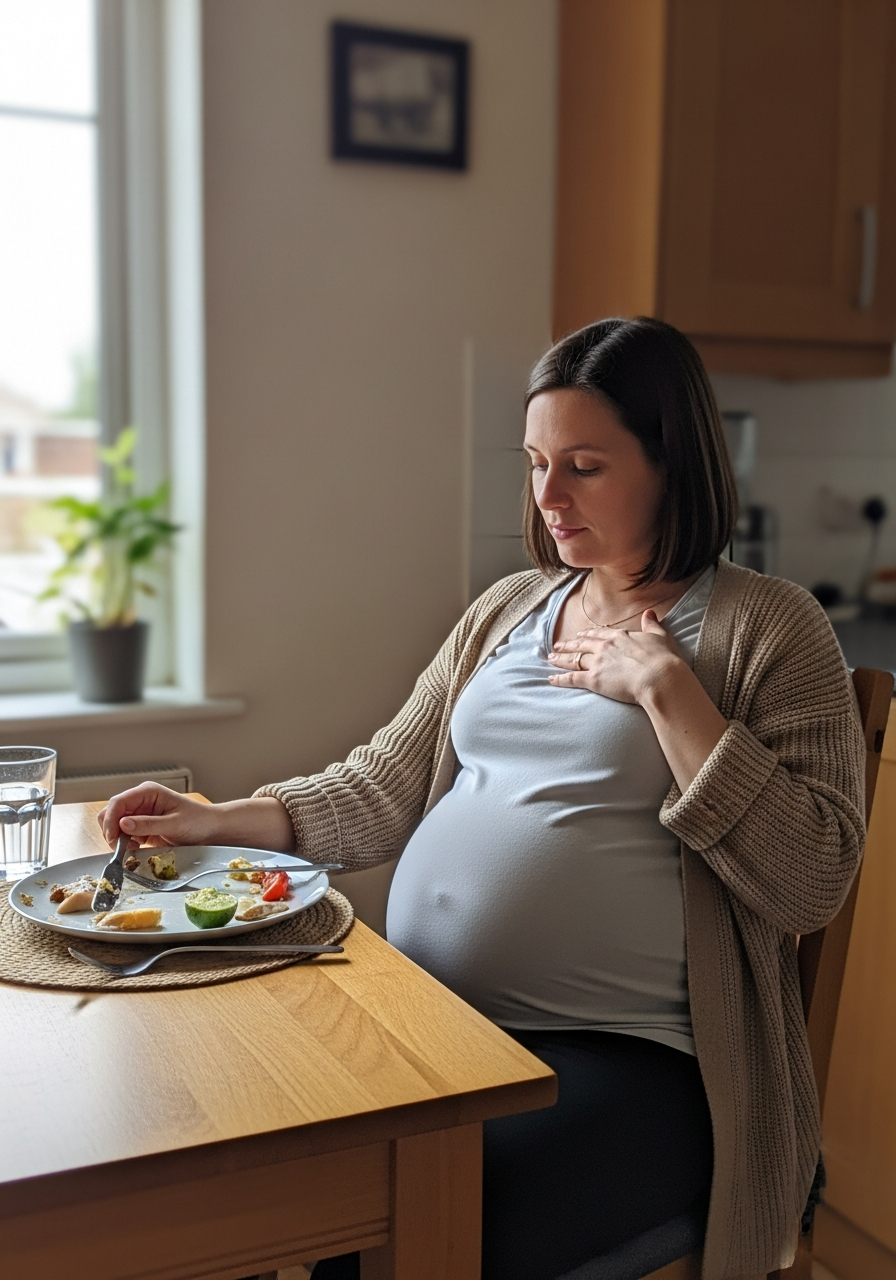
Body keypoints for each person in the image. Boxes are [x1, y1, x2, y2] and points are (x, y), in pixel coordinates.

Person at [99, 318, 866, 1280]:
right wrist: (220, 820)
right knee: (248, 1145)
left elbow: (814, 880)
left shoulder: (770, 628)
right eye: (539, 462)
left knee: (398, 1214)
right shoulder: (511, 606)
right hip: (441, 1026)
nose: (548, 496)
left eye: (584, 465)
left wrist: (670, 694)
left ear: (674, 464)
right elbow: (387, 782)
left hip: (645, 1064)